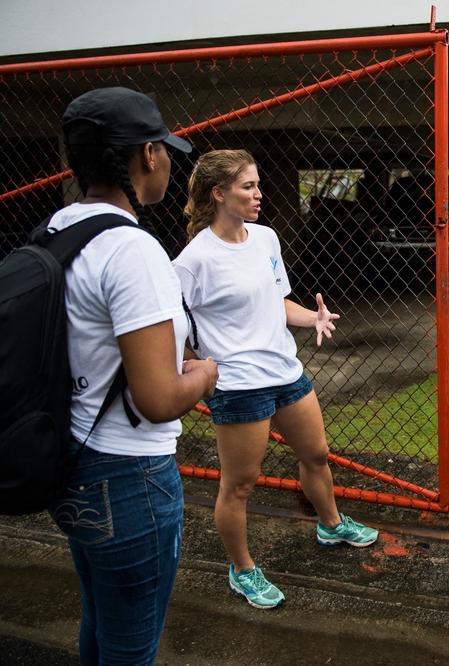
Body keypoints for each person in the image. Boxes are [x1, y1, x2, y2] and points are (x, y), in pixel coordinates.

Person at [47, 87, 219, 664]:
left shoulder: (58, 231)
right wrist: (207, 374)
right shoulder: (130, 249)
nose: (169, 161)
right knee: (131, 648)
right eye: (165, 150)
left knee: (99, 622)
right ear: (147, 155)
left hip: (68, 460)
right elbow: (158, 397)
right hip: (128, 479)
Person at [173, 149, 379, 610]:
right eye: (248, 186)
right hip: (239, 386)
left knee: (318, 455)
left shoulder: (266, 238)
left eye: (258, 184)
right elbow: (170, 324)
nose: (259, 194)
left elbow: (277, 301)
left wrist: (312, 318)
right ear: (218, 193)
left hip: (286, 371)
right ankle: (242, 569)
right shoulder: (194, 260)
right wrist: (197, 365)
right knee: (241, 485)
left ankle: (330, 523)